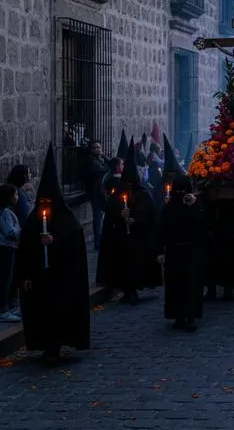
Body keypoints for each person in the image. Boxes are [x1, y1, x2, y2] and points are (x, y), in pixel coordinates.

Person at [16, 144, 90, 364]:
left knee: (58, 314)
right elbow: (24, 250)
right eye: (42, 203)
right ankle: (45, 345)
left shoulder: (68, 222)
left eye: (49, 203)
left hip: (61, 279)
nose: (45, 207)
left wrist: (55, 242)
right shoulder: (32, 223)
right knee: (41, 314)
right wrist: (25, 277)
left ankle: (55, 348)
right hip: (39, 279)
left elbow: (75, 248)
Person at [96, 138, 161, 304]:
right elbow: (111, 214)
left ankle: (133, 290)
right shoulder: (119, 194)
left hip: (138, 238)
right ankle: (127, 290)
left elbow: (149, 216)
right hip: (121, 238)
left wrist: (134, 219)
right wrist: (121, 217)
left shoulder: (143, 194)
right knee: (124, 265)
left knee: (135, 265)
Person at [159, 175, 205, 333]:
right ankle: (178, 316)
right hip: (173, 251)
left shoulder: (194, 205)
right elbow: (162, 229)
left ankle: (191, 317)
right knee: (175, 285)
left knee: (191, 285)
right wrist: (160, 250)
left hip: (191, 251)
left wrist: (192, 207)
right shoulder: (169, 207)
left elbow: (200, 227)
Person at [0, 184, 22, 323]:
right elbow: (10, 232)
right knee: (4, 279)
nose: (17, 197)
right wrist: (21, 229)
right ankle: (3, 309)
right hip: (5, 248)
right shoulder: (5, 213)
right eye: (15, 195)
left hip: (8, 248)